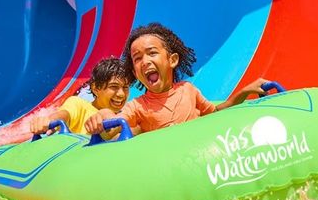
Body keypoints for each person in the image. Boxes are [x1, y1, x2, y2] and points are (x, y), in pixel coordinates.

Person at [84, 23, 268, 135]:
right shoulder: (138, 106)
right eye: (137, 58)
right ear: (135, 71)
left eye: (152, 53)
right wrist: (104, 115)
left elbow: (214, 113)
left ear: (172, 60)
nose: (145, 61)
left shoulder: (188, 90)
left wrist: (245, 91)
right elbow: (115, 127)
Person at [29, 57, 130, 136]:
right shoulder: (79, 105)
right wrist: (49, 121)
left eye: (125, 87)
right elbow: (65, 115)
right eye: (114, 87)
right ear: (95, 88)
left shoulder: (127, 115)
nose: (121, 94)